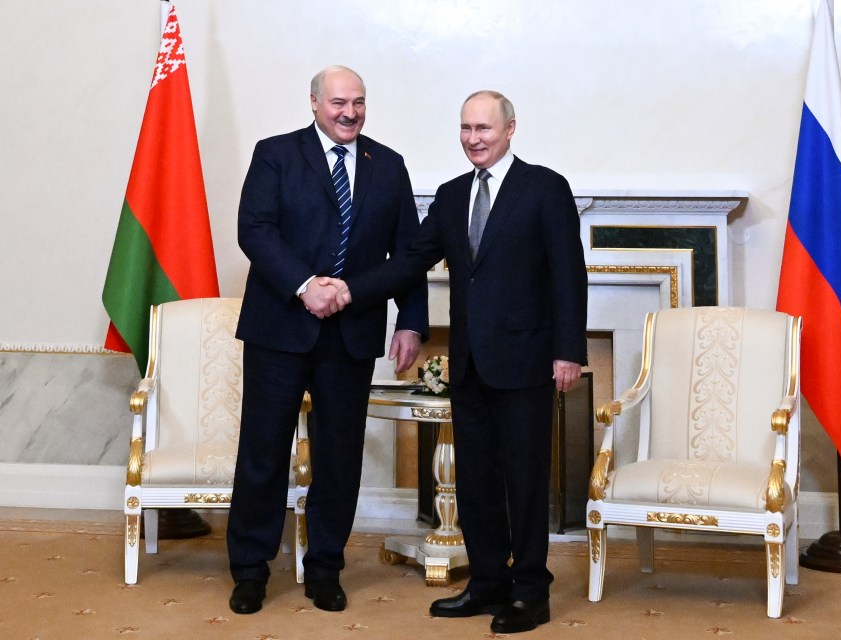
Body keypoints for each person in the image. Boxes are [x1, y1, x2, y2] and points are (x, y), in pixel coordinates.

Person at [324, 90, 588, 634]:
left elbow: (568, 274)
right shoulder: (448, 196)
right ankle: (488, 583)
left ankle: (531, 591)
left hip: (528, 362)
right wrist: (349, 287)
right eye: (466, 129)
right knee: (477, 482)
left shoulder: (545, 188)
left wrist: (570, 352)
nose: (474, 139)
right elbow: (409, 264)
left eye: (484, 129)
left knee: (525, 480)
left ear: (510, 129)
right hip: (468, 365)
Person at [226, 65, 428, 615]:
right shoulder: (276, 154)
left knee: (340, 458)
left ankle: (325, 568)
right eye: (339, 102)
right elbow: (255, 230)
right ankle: (250, 569)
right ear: (314, 103)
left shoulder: (387, 165)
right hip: (279, 329)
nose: (350, 113)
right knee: (264, 452)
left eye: (359, 102)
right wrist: (304, 286)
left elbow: (409, 252)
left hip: (351, 334)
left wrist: (410, 320)